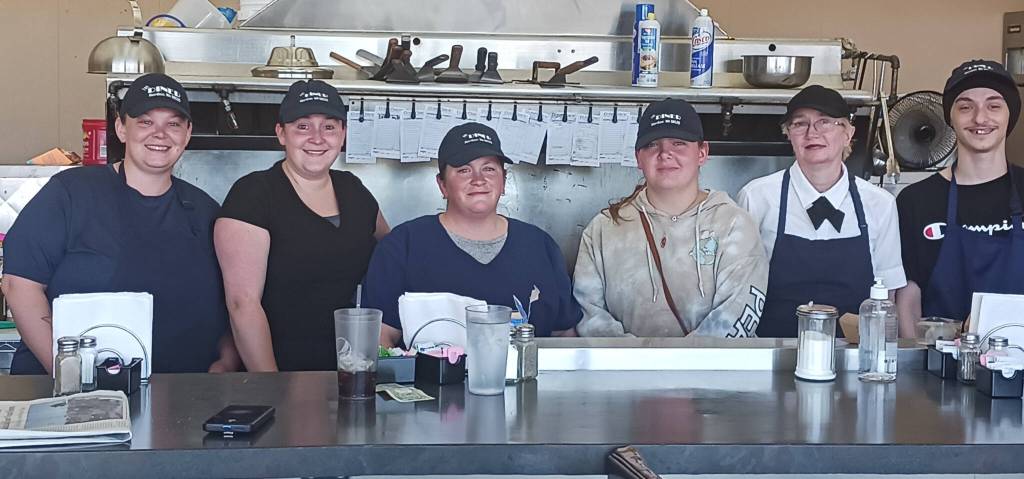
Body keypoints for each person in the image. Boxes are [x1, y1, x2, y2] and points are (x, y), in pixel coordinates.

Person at [2, 73, 238, 374]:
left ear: (187, 133)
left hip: (179, 401)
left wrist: (226, 364)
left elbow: (231, 303)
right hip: (66, 401)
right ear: (120, 128)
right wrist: (71, 377)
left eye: (173, 123)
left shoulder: (205, 211)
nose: (160, 133)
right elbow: (19, 284)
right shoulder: (71, 193)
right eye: (145, 121)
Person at [215, 80, 389, 372]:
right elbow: (242, 304)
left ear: (343, 134)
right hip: (283, 374)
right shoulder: (254, 194)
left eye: (329, 127)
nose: (317, 138)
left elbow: (393, 252)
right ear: (281, 133)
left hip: (351, 371)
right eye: (303, 126)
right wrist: (270, 386)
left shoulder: (354, 190)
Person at [364, 122, 580, 347]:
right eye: (463, 170)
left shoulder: (540, 246)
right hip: (427, 382)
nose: (478, 179)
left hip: (526, 381)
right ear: (442, 185)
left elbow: (564, 335)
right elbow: (381, 338)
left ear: (504, 181)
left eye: (489, 169)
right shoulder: (403, 246)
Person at [572, 99, 768, 337]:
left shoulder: (734, 225)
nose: (665, 154)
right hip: (624, 371)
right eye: (652, 145)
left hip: (712, 372)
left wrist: (682, 366)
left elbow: (735, 316)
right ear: (638, 158)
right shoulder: (604, 229)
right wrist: (635, 363)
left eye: (679, 143)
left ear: (702, 152)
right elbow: (589, 314)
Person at [737, 85, 906, 337]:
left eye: (825, 122)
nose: (811, 133)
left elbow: (887, 294)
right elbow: (739, 290)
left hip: (853, 358)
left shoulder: (880, 204)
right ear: (789, 135)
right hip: (771, 353)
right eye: (799, 124)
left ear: (848, 134)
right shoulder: (757, 197)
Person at [895, 60, 1024, 333]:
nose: (980, 118)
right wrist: (915, 363)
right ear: (949, 118)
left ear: (1010, 115)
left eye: (994, 105)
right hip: (940, 366)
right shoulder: (915, 200)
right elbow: (908, 296)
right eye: (965, 107)